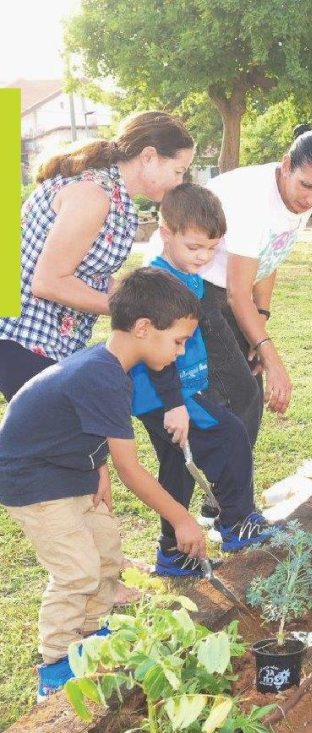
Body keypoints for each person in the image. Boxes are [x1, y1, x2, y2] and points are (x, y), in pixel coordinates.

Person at [0, 269, 207, 701]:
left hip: (72, 468)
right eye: (178, 341)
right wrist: (181, 518)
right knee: (77, 570)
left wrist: (98, 468)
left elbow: (81, 426)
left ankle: (94, 633)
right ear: (144, 328)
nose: (182, 351)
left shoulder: (111, 368)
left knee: (107, 553)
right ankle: (55, 663)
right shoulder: (103, 374)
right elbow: (134, 471)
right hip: (32, 479)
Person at [148, 125, 312, 450]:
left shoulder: (300, 199)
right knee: (242, 395)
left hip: (225, 287)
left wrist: (261, 320)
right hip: (186, 282)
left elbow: (271, 255)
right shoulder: (252, 199)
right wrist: (275, 360)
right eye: (306, 186)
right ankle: (227, 494)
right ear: (286, 165)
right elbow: (237, 295)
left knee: (246, 386)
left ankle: (230, 492)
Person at [0, 111, 194, 401]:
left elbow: (92, 273)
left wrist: (150, 302)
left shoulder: (116, 196)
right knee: (67, 440)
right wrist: (132, 312)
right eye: (178, 171)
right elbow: (48, 282)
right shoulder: (94, 195)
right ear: (149, 156)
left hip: (55, 342)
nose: (179, 182)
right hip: (24, 340)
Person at [130, 185, 273, 576]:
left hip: (174, 393)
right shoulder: (160, 283)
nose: (204, 257)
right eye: (194, 247)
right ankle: (237, 521)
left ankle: (174, 554)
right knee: (229, 435)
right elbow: (157, 356)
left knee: (176, 467)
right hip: (164, 394)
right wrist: (176, 404)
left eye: (212, 248)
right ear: (166, 234)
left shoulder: (186, 275)